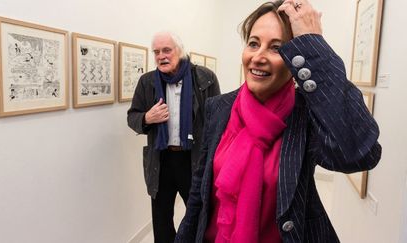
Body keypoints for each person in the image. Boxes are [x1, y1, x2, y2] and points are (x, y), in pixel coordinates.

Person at [175, 0, 382, 242]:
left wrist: (314, 44)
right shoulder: (219, 107)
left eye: (276, 48)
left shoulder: (304, 114)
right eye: (253, 43)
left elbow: (360, 153)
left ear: (296, 59)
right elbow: (200, 192)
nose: (258, 57)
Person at [127, 31, 221, 243]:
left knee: (199, 217)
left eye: (167, 50)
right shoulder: (147, 82)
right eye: (157, 52)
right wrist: (147, 118)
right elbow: (132, 117)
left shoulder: (205, 78)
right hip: (160, 161)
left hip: (193, 160)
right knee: (161, 221)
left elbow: (217, 121)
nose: (161, 56)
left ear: (180, 51)